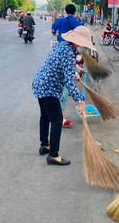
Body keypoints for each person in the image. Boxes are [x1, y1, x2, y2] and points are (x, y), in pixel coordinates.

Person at [32, 26, 95, 166]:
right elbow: (69, 81)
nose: (85, 47)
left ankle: (45, 146)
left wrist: (76, 70)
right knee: (57, 119)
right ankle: (53, 155)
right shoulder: (69, 52)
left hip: (39, 83)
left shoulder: (63, 45)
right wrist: (80, 100)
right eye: (84, 44)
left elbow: (61, 65)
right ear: (78, 42)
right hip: (49, 88)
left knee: (45, 116)